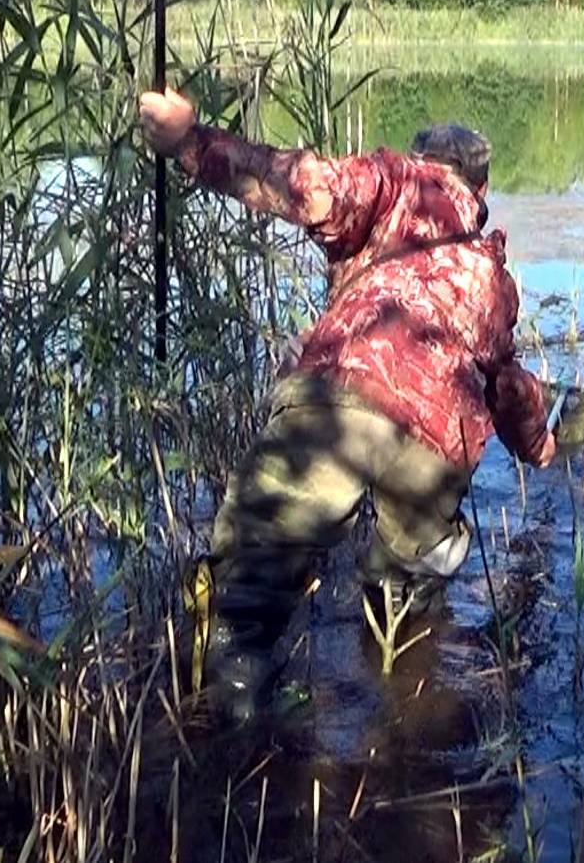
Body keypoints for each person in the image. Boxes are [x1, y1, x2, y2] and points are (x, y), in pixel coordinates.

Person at [136, 88, 556, 724]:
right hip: (436, 444)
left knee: (244, 601)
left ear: (424, 160)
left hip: (341, 400)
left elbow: (305, 186)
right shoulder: (489, 273)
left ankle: (222, 756)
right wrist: (540, 444)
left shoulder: (392, 183)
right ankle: (408, 700)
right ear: (481, 185)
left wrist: (193, 143)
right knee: (406, 595)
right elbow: (506, 385)